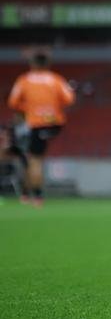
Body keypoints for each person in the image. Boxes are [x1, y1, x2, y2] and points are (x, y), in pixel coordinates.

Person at [6, 52, 75, 208]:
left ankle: (35, 195)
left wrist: (29, 108)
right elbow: (69, 98)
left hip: (36, 123)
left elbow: (13, 102)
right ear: (47, 64)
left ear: (33, 64)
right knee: (33, 158)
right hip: (55, 123)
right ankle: (26, 192)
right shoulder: (56, 79)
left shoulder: (24, 80)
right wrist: (52, 108)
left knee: (34, 160)